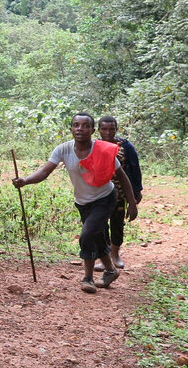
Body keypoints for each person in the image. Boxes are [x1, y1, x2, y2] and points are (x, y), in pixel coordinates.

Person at [12, 112, 138, 294]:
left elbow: (123, 178)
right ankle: (110, 271)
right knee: (97, 235)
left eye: (85, 126)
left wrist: (132, 203)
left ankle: (88, 278)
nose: (80, 129)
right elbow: (45, 171)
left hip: (105, 197)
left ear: (92, 130)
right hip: (83, 201)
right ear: (71, 128)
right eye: (76, 125)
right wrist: (25, 180)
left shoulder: (102, 149)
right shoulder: (62, 149)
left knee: (87, 234)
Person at [98, 115, 143, 270]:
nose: (108, 132)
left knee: (117, 223)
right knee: (100, 225)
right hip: (99, 193)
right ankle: (104, 256)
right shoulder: (94, 145)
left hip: (119, 192)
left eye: (111, 129)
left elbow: (134, 167)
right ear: (99, 130)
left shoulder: (126, 146)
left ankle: (115, 255)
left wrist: (137, 191)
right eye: (104, 129)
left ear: (116, 129)